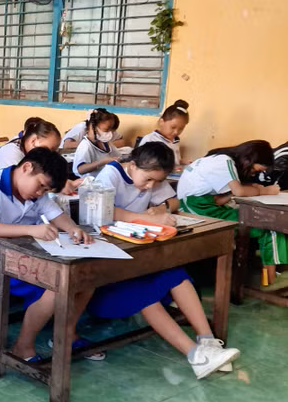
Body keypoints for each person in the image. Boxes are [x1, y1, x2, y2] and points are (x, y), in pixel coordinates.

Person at [89, 142, 240, 379]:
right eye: (148, 179)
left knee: (176, 275)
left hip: (136, 258)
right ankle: (196, 356)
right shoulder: (111, 174)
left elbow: (174, 201)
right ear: (132, 165)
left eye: (156, 182)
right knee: (145, 293)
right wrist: (146, 218)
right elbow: (105, 210)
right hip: (107, 269)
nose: (151, 186)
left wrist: (160, 209)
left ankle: (208, 342)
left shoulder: (150, 177)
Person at [0, 148, 102, 362]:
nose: (40, 193)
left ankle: (66, 333)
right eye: (40, 186)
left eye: (46, 190)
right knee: (56, 286)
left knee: (85, 279)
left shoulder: (36, 193)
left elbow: (56, 214)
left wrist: (74, 229)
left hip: (27, 252)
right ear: (27, 167)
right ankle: (22, 347)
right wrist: (32, 230)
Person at [179, 140, 286, 288]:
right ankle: (271, 281)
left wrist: (251, 188)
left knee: (257, 220)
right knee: (269, 227)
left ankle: (266, 275)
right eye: (256, 170)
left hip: (203, 205)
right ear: (249, 159)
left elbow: (219, 199)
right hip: (199, 209)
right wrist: (265, 190)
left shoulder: (218, 159)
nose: (255, 174)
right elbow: (239, 191)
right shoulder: (225, 161)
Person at [139, 99, 190, 165]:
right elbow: (144, 163)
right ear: (161, 122)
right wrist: (172, 167)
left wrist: (181, 161)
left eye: (181, 129)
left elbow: (174, 160)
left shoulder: (175, 141)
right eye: (173, 127)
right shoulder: (150, 140)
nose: (176, 132)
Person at [72, 108, 120, 178]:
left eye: (111, 130)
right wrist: (102, 162)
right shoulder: (86, 145)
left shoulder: (106, 144)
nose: (110, 133)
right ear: (93, 127)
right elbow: (80, 169)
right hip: (91, 182)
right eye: (106, 130)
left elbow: (118, 156)